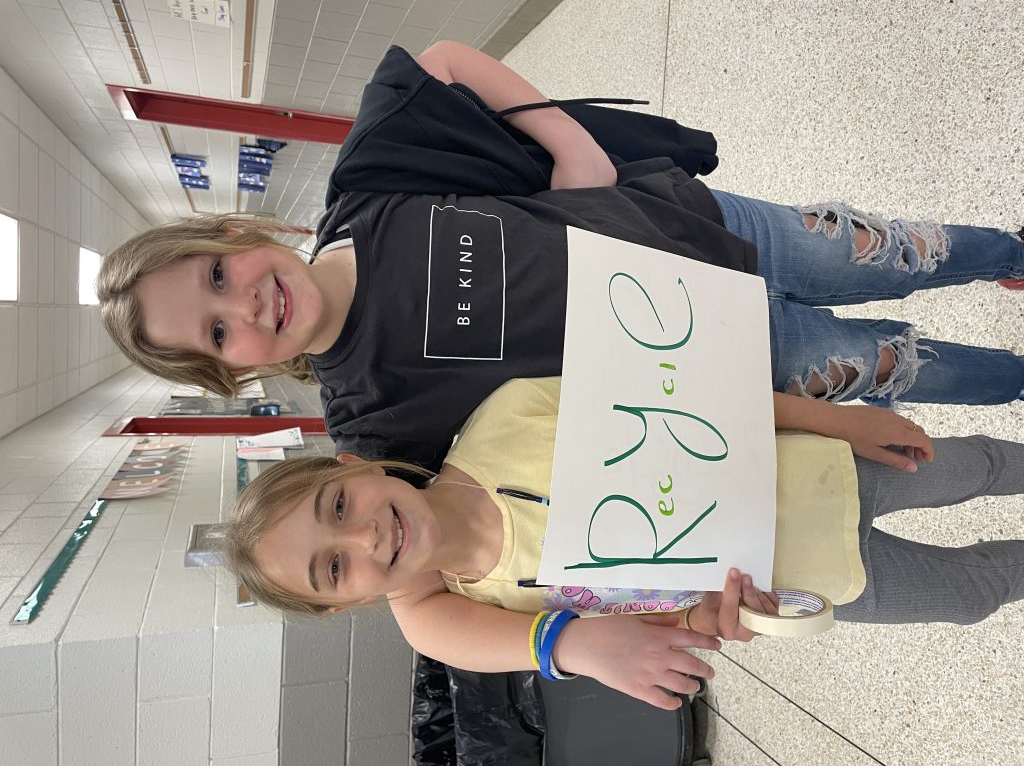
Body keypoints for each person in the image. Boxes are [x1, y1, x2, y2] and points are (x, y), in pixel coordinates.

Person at [97, 41, 1024, 472]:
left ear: (235, 236)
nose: (246, 306)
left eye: (217, 278)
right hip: (724, 362)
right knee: (893, 368)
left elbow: (445, 61)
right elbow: (438, 558)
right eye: (217, 333)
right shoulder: (370, 423)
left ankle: (1006, 254)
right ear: (231, 373)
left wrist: (571, 149)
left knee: (895, 254)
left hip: (707, 225)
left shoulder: (369, 191)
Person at [225, 377, 1024, 710]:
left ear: (354, 466)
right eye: (335, 566)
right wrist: (701, 623)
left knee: (979, 465)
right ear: (342, 605)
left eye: (340, 505)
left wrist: (838, 417)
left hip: (821, 467)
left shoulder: (507, 414)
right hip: (806, 575)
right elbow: (616, 635)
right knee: (969, 595)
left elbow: (699, 400)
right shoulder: (453, 613)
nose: (366, 535)